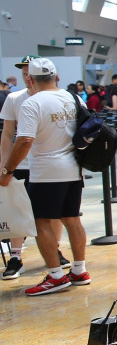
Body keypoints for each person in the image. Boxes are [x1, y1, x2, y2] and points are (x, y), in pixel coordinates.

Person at [1, 58, 91, 296]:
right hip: (74, 169)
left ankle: (56, 276)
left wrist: (7, 170)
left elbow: (24, 140)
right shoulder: (74, 98)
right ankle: (79, 270)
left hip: (46, 171)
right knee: (72, 218)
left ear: (30, 79)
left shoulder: (32, 103)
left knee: (41, 222)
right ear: (56, 76)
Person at [0, 57, 65, 279]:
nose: (28, 78)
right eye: (25, 74)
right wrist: (4, 165)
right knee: (18, 210)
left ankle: (55, 250)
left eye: (31, 74)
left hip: (49, 165)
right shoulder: (14, 99)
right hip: (21, 164)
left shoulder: (58, 98)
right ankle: (15, 256)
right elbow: (8, 134)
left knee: (53, 212)